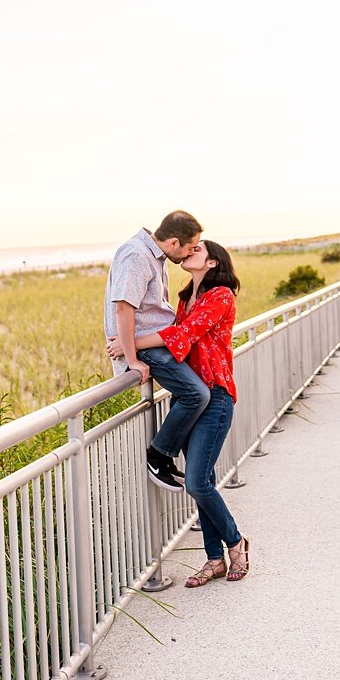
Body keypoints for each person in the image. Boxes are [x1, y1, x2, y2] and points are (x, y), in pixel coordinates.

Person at [107, 240, 249, 586]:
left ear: (213, 263)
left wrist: (128, 344)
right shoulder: (186, 298)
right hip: (190, 398)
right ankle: (214, 559)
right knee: (204, 482)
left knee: (198, 482)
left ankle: (236, 543)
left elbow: (185, 334)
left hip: (214, 396)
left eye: (197, 249)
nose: (189, 252)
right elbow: (174, 339)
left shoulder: (221, 296)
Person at [105, 210, 208, 490]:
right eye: (190, 248)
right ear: (173, 242)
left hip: (157, 340)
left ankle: (166, 456)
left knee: (191, 393)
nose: (190, 254)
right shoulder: (137, 254)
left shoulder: (154, 255)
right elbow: (124, 307)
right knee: (196, 394)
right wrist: (132, 357)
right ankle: (158, 455)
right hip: (146, 346)